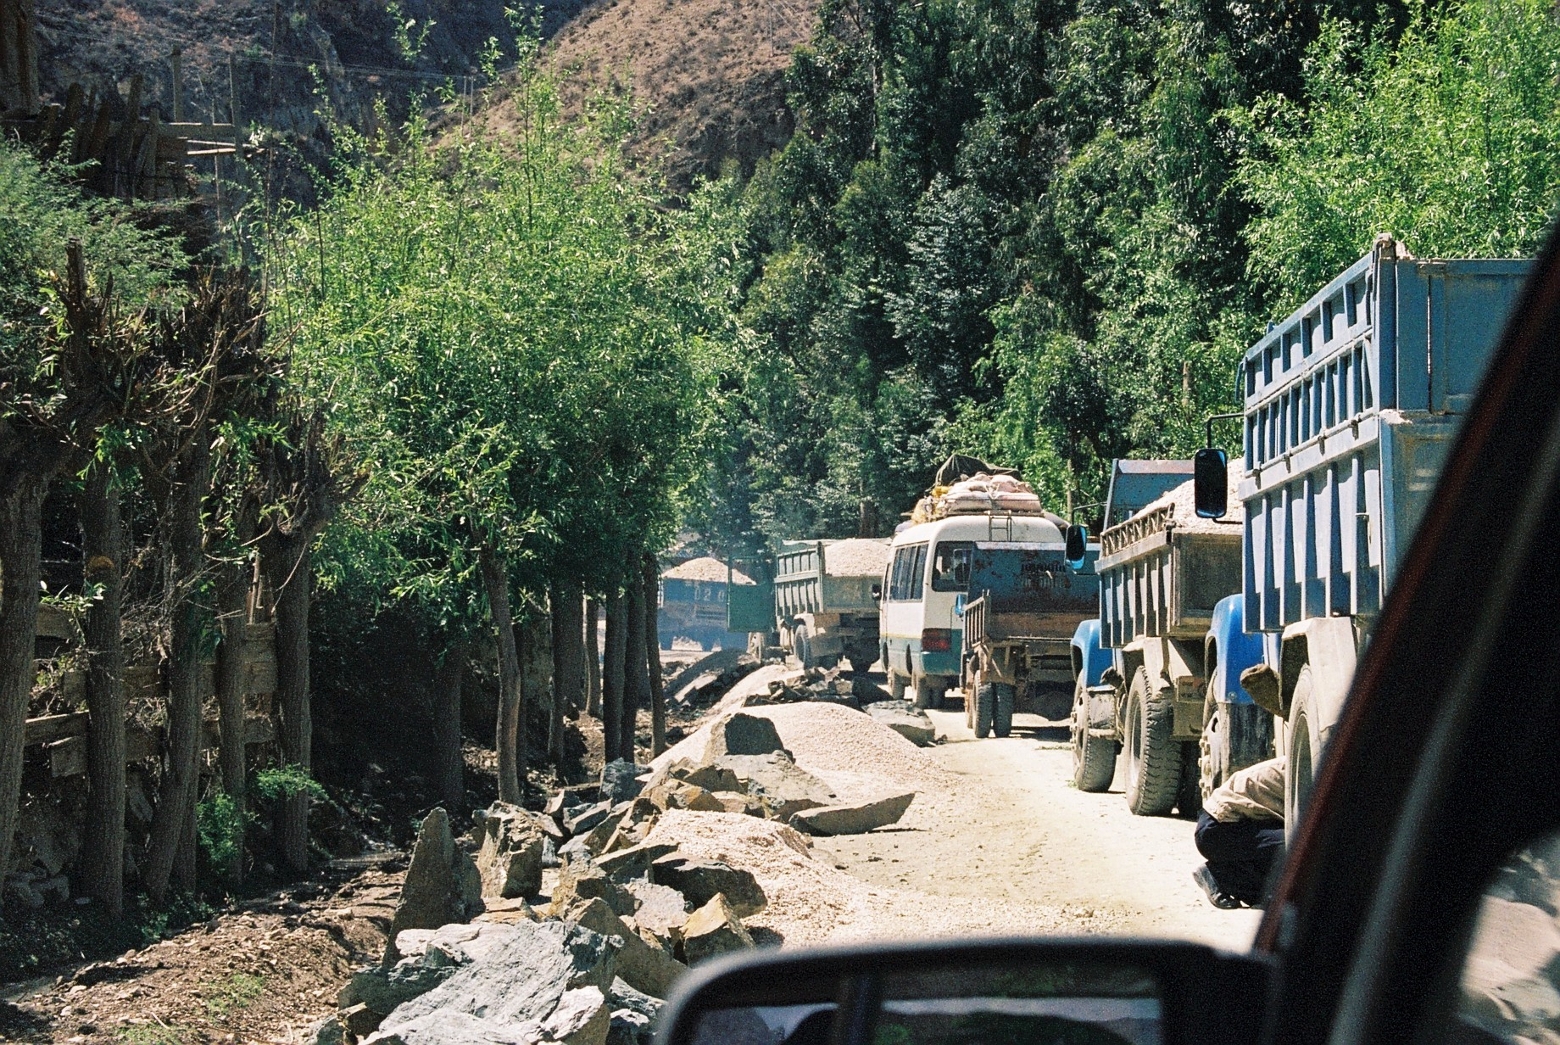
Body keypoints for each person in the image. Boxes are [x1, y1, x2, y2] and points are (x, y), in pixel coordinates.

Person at [1193, 756, 1286, 909]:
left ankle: (1221, 876)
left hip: (1226, 826)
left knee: (1268, 896)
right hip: (1217, 828)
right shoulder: (1302, 771)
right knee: (1296, 843)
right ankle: (1219, 876)